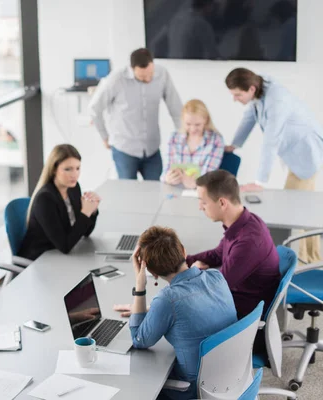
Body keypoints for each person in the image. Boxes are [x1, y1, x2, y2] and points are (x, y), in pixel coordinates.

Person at [120, 226, 237, 400]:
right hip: (231, 374)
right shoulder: (216, 276)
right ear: (183, 251)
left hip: (194, 388)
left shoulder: (167, 300)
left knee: (135, 382)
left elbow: (140, 340)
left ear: (152, 272)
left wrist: (140, 285)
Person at [225, 67, 323, 263]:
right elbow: (249, 118)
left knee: (296, 209)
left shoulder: (276, 101)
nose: (234, 99)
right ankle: (311, 258)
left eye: (237, 95)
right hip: (293, 152)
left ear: (251, 89)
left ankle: (306, 262)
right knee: (298, 206)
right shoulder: (260, 89)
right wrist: (234, 145)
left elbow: (271, 140)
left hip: (305, 152)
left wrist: (259, 181)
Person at [186, 170, 280, 320]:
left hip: (246, 311)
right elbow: (217, 254)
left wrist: (192, 273)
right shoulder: (244, 221)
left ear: (222, 203)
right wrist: (181, 262)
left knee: (177, 308)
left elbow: (218, 288)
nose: (200, 207)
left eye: (203, 202)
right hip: (238, 295)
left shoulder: (248, 241)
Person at [89, 48, 182, 180]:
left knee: (156, 190)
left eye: (150, 74)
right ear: (132, 69)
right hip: (124, 148)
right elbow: (94, 108)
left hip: (152, 148)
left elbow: (176, 108)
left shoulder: (162, 74)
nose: (148, 79)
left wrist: (183, 136)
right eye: (143, 77)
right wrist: (104, 137)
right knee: (129, 193)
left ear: (152, 64)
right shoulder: (116, 79)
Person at [17, 144, 100, 261]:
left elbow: (84, 232)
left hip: (58, 256)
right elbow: (65, 245)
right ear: (54, 169)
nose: (74, 174)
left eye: (77, 168)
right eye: (68, 169)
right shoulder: (45, 199)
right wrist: (85, 212)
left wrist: (92, 210)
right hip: (40, 260)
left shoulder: (73, 188)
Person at [162, 99, 225, 188]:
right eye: (188, 124)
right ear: (183, 120)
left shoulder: (216, 140)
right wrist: (167, 178)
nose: (192, 129)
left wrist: (196, 183)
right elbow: (165, 171)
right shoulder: (173, 138)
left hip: (202, 192)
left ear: (206, 120)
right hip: (175, 190)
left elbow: (209, 176)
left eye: (197, 124)